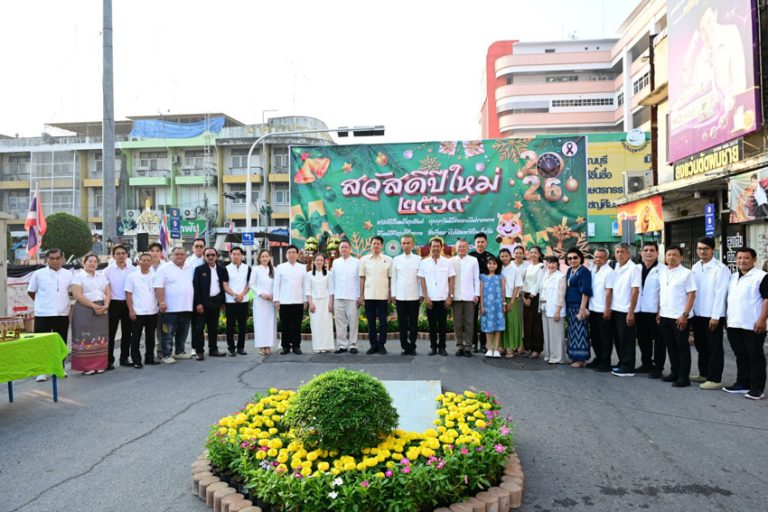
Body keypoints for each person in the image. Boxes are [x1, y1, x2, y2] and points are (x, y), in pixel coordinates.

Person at [723, 247, 768, 400]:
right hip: (734, 323)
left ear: (754, 260)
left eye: (746, 258)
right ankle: (742, 384)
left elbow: (767, 300)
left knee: (755, 356)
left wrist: (762, 320)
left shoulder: (762, 277)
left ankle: (757, 388)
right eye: (739, 258)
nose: (742, 261)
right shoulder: (733, 277)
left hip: (753, 324)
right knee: (740, 355)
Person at [690, 237, 730, 390]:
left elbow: (721, 294)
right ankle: (704, 373)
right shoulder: (695, 267)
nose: (702, 251)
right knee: (701, 346)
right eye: (700, 248)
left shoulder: (720, 268)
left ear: (713, 250)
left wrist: (716, 316)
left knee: (714, 348)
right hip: (698, 314)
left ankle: (715, 379)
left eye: (705, 249)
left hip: (713, 316)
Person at [28, 248, 73, 382]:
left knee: (60, 342)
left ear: (62, 259)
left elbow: (72, 291)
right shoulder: (38, 274)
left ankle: (59, 368)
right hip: (43, 314)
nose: (55, 261)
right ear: (47, 259)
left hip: (62, 313)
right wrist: (42, 303)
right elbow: (31, 291)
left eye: (57, 258)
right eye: (52, 258)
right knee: (42, 343)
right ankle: (42, 371)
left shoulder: (68, 274)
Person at [657, 246, 697, 388]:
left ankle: (683, 377)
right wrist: (659, 312)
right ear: (665, 257)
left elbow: (691, 295)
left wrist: (685, 314)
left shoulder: (686, 273)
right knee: (671, 346)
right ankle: (674, 372)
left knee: (682, 347)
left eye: (675, 255)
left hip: (680, 316)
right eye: (669, 255)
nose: (671, 257)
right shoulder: (662, 273)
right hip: (665, 315)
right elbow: (662, 294)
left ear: (680, 257)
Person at [153, 246, 195, 364]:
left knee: (183, 331)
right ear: (172, 256)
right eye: (177, 254)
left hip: (186, 306)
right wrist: (161, 302)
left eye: (182, 254)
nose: (179, 256)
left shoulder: (190, 268)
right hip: (170, 308)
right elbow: (159, 287)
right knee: (168, 333)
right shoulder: (164, 268)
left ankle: (179, 351)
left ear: (186, 256)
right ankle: (166, 354)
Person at [70, 253, 110, 375]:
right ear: (84, 263)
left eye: (95, 261)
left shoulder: (101, 276)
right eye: (90, 261)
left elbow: (108, 293)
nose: (92, 263)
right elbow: (77, 295)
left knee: (100, 336)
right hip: (84, 309)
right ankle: (86, 367)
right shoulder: (78, 277)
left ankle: (100, 364)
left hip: (101, 308)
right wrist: (93, 306)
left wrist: (106, 305)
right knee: (85, 337)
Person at [418, 237, 455, 356]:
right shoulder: (424, 263)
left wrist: (450, 296)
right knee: (432, 325)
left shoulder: (447, 262)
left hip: (443, 299)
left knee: (443, 325)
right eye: (433, 246)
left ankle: (442, 347)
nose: (435, 248)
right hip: (430, 300)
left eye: (438, 246)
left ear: (441, 247)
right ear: (430, 248)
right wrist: (426, 297)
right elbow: (422, 280)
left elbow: (451, 279)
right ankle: (433, 347)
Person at [608, 243, 640, 377]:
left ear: (628, 254)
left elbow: (635, 291)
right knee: (619, 339)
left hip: (626, 310)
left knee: (627, 340)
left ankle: (628, 368)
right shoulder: (616, 266)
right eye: (617, 252)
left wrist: (631, 312)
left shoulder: (634, 269)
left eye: (622, 252)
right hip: (616, 308)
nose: (619, 254)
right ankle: (622, 362)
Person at [635, 241, 666, 378]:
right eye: (645, 250)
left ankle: (658, 368)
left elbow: (664, 292)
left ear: (657, 253)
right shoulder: (636, 268)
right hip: (640, 310)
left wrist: (660, 311)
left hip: (655, 311)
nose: (648, 253)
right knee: (643, 339)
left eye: (652, 250)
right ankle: (646, 364)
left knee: (659, 341)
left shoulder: (663, 270)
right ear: (641, 252)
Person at [103, 244, 136, 370]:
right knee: (110, 333)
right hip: (113, 304)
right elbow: (103, 288)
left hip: (129, 304)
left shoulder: (134, 270)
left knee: (127, 333)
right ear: (113, 256)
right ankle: (109, 360)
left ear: (127, 255)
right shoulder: (108, 271)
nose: (121, 256)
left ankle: (124, 358)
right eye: (118, 253)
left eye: (123, 253)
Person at [192, 248, 229, 360]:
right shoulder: (199, 269)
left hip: (216, 302)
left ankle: (213, 349)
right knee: (199, 329)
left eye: (212, 255)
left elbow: (224, 287)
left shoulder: (222, 269)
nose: (210, 257)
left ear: (216, 256)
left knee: (213, 328)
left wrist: (222, 302)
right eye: (208, 255)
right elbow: (196, 288)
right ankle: (199, 351)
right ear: (204, 257)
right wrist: (198, 303)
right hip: (202, 303)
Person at [359, 236, 393, 355]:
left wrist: (390, 293)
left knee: (383, 322)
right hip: (369, 296)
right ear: (370, 245)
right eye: (374, 243)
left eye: (378, 244)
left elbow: (390, 278)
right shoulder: (364, 260)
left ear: (382, 246)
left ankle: (381, 345)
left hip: (383, 296)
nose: (376, 246)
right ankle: (373, 345)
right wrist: (361, 295)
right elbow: (362, 278)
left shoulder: (388, 260)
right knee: (371, 322)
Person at [125, 253, 160, 368]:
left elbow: (159, 292)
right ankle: (136, 360)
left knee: (150, 337)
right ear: (139, 262)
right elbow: (128, 294)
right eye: (143, 260)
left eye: (148, 260)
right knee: (136, 337)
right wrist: (131, 310)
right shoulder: (132, 276)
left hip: (152, 311)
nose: (146, 263)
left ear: (151, 262)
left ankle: (149, 358)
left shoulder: (155, 275)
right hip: (138, 312)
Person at [391, 234, 422, 356]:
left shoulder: (418, 259)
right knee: (402, 324)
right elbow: (394, 278)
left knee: (413, 324)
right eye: (404, 243)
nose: (406, 245)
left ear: (413, 245)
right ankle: (404, 347)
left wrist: (421, 294)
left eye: (408, 243)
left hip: (414, 296)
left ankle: (412, 346)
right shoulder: (396, 259)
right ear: (401, 245)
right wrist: (393, 294)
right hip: (400, 296)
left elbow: (421, 279)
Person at [329, 240, 361, 354]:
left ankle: (353, 344)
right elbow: (332, 280)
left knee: (353, 322)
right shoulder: (335, 262)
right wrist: (332, 298)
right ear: (339, 249)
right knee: (340, 322)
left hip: (352, 296)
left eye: (346, 247)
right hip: (338, 296)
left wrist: (359, 296)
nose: (343, 249)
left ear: (350, 249)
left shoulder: (357, 262)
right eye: (342, 247)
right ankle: (341, 345)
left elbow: (359, 280)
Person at [273, 245, 306, 355]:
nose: (291, 254)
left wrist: (305, 300)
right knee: (285, 325)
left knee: (297, 325)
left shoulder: (302, 268)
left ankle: (296, 346)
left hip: (298, 301)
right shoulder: (280, 267)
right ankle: (285, 346)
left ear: (297, 254)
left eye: (293, 252)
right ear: (286, 255)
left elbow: (305, 285)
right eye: (289, 252)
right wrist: (276, 300)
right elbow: (276, 285)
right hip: (284, 302)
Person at [587, 248, 615, 373]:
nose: (598, 259)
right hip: (593, 309)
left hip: (603, 310)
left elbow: (609, 292)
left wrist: (607, 309)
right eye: (596, 257)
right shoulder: (593, 270)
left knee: (605, 338)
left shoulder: (609, 272)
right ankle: (598, 358)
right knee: (595, 337)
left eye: (601, 257)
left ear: (606, 258)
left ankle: (605, 362)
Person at [450, 239, 479, 357]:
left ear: (468, 248)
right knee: (457, 323)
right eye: (459, 246)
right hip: (455, 297)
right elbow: (449, 279)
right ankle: (459, 346)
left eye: (464, 246)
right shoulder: (451, 261)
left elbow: (476, 278)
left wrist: (476, 294)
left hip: (469, 296)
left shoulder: (473, 260)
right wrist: (450, 295)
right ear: (456, 248)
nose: (461, 248)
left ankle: (468, 347)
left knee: (469, 323)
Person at [564, 248, 592, 367]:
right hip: (570, 306)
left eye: (575, 257)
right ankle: (574, 356)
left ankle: (581, 359)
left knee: (580, 331)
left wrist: (582, 308)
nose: (572, 260)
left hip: (579, 305)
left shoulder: (584, 271)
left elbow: (586, 291)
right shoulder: (569, 270)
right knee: (572, 331)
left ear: (580, 258)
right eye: (569, 258)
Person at [469, 232, 495, 353]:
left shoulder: (491, 257)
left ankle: (484, 344)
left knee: (485, 317)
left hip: (487, 292)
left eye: (482, 242)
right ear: (474, 244)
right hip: (473, 291)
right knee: (472, 318)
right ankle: (474, 343)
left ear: (486, 243)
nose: (480, 244)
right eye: (478, 242)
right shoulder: (470, 257)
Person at [223, 247, 250, 357]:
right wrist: (234, 295)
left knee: (242, 325)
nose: (236, 256)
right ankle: (231, 348)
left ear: (242, 255)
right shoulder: (226, 268)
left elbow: (249, 284)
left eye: (238, 254)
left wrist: (241, 295)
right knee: (230, 326)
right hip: (230, 301)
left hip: (244, 300)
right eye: (234, 254)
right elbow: (225, 285)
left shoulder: (247, 268)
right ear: (230, 255)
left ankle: (240, 347)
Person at [540, 256, 566, 364]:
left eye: (553, 263)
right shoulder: (546, 274)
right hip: (545, 308)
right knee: (547, 334)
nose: (551, 265)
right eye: (549, 263)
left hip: (555, 309)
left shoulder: (561, 276)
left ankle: (557, 357)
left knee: (556, 335)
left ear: (557, 264)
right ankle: (549, 354)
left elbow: (561, 295)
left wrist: (558, 310)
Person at [306, 253, 335, 353]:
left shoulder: (329, 274)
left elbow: (331, 289)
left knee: (326, 324)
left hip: (326, 301)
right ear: (314, 261)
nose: (319, 262)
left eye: (321, 260)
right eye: (317, 260)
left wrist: (331, 303)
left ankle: (326, 346)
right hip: (314, 302)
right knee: (315, 324)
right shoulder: (309, 274)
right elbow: (308, 290)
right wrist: (311, 303)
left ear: (324, 262)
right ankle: (317, 346)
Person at [250, 249, 276, 356]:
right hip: (260, 301)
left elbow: (276, 284)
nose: (265, 258)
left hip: (270, 301)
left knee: (270, 323)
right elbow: (251, 284)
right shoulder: (256, 269)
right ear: (259, 258)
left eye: (267, 256)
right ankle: (262, 346)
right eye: (263, 256)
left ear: (269, 257)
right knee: (260, 323)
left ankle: (268, 345)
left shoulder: (273, 269)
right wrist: (261, 294)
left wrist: (272, 295)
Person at [500, 247, 526, 356]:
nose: (504, 258)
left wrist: (512, 301)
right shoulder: (498, 268)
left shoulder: (515, 269)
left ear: (510, 256)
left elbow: (517, 286)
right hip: (500, 299)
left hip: (512, 299)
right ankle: (502, 346)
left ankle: (511, 347)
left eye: (506, 256)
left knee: (511, 323)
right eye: (502, 256)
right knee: (502, 323)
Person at [479, 255, 505, 358]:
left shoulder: (500, 277)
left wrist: (503, 304)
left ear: (497, 265)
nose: (492, 265)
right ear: (486, 265)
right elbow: (481, 292)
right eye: (489, 263)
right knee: (488, 327)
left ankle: (496, 349)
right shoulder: (483, 277)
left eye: (494, 263)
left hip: (498, 306)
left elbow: (503, 291)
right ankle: (489, 348)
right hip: (487, 306)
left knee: (498, 327)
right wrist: (482, 306)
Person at [522, 246, 545, 359]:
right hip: (526, 296)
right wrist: (523, 296)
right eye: (531, 252)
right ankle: (529, 347)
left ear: (539, 254)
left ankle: (537, 349)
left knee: (536, 324)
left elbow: (538, 284)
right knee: (528, 324)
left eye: (535, 253)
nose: (533, 254)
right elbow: (525, 282)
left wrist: (530, 298)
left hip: (534, 297)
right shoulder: (529, 266)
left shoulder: (541, 267)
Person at [148, 242, 165, 362]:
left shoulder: (166, 266)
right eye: (152, 250)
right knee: (149, 330)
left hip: (161, 302)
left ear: (161, 253)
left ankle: (160, 350)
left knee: (161, 328)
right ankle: (148, 353)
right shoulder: (143, 266)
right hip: (147, 303)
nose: (155, 253)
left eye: (157, 250)